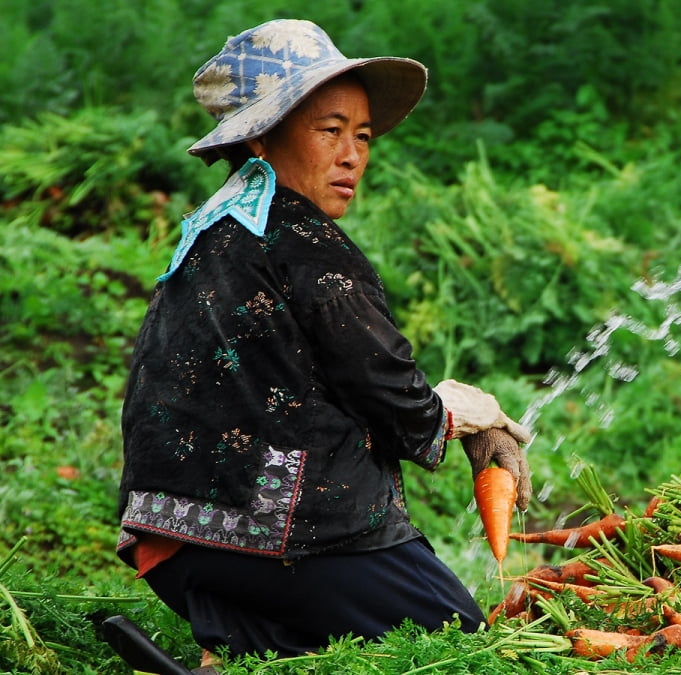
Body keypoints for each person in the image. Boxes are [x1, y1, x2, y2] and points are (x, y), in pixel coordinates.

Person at [113, 19, 533, 671]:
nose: (352, 154)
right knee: (461, 644)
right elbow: (387, 389)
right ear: (261, 134)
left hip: (168, 549)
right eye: (329, 129)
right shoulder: (304, 242)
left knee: (324, 649)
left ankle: (241, 644)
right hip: (287, 544)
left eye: (361, 135)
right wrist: (463, 418)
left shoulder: (206, 235)